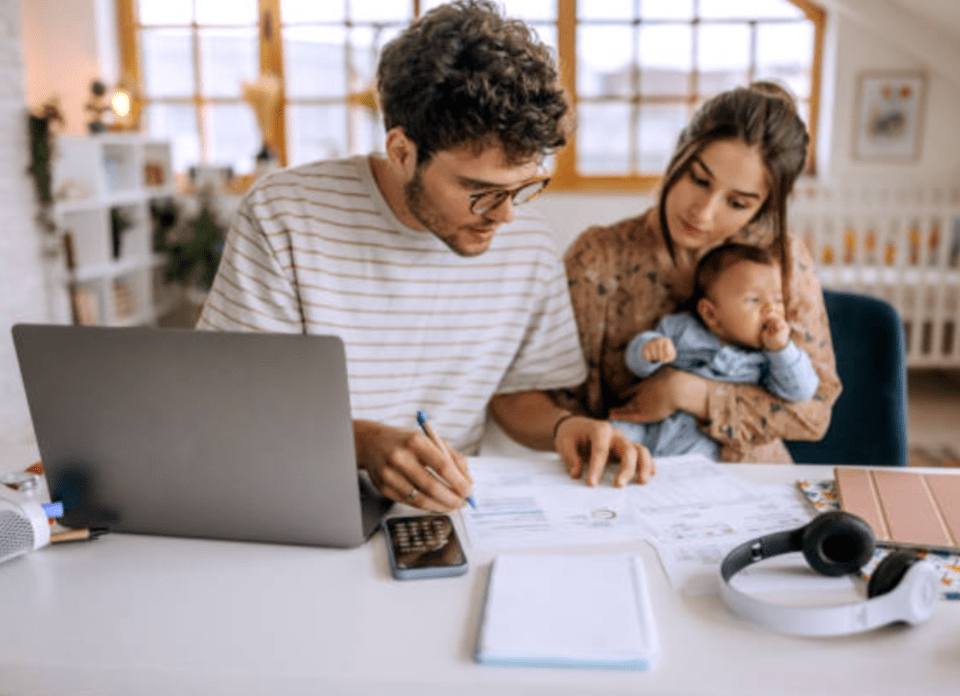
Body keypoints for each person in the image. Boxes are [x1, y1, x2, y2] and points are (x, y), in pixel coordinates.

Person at [196, 0, 653, 512]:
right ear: (401, 151)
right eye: (480, 191)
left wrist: (567, 427)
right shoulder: (286, 215)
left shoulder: (527, 242)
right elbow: (234, 404)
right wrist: (366, 445)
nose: (505, 217)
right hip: (300, 499)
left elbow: (515, 394)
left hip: (446, 512)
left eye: (524, 187)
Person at [555, 81, 842, 472]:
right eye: (699, 180)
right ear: (678, 154)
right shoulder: (598, 257)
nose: (703, 213)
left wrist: (689, 392)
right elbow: (559, 405)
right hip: (629, 477)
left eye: (737, 203)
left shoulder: (784, 261)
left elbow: (813, 414)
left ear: (762, 208)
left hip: (752, 485)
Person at [610, 243, 819, 458]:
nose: (770, 309)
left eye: (777, 300)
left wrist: (781, 350)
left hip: (703, 438)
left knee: (697, 462)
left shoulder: (767, 359)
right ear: (711, 314)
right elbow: (637, 367)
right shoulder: (682, 328)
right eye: (754, 300)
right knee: (613, 433)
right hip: (652, 425)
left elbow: (801, 391)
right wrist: (648, 350)